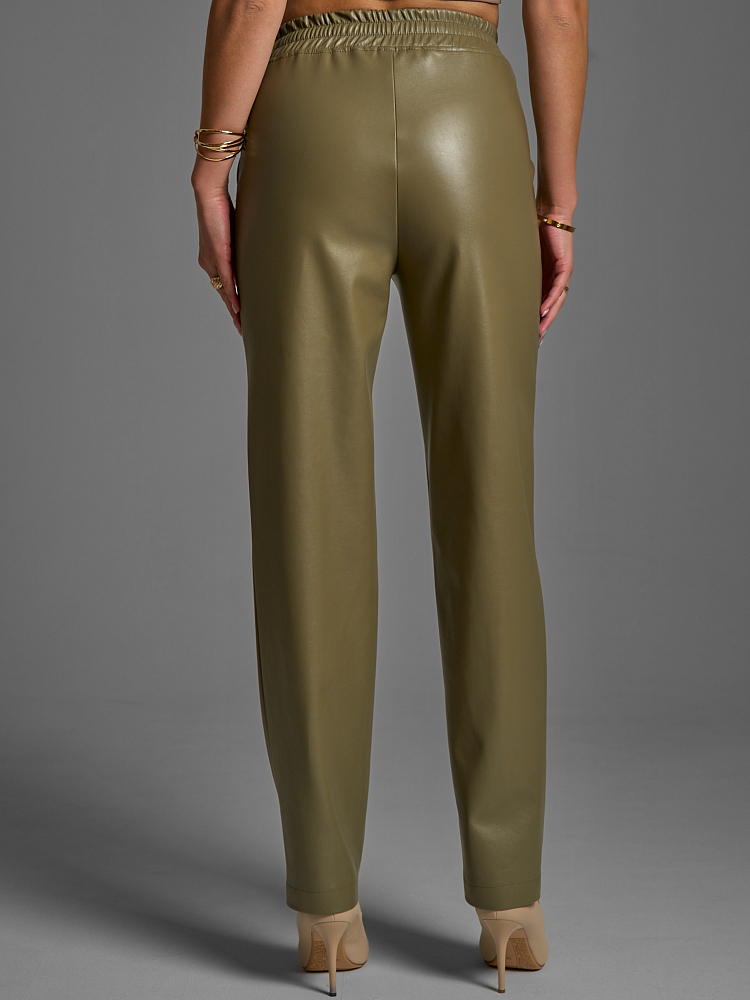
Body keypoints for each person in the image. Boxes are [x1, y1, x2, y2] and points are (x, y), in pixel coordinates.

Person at [191, 0, 587, 993]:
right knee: (494, 513)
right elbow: (558, 8)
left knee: (307, 509)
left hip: (310, 118)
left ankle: (326, 911)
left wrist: (212, 160)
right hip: (470, 115)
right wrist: (557, 200)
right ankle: (511, 907)